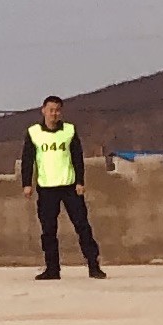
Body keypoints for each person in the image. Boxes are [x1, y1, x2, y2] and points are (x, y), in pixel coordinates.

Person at [24, 93, 105, 281]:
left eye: (57, 110)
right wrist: (27, 184)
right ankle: (52, 269)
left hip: (69, 187)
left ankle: (94, 265)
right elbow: (28, 160)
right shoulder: (34, 133)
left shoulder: (69, 131)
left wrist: (80, 181)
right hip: (46, 188)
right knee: (48, 230)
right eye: (51, 110)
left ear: (61, 113)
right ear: (43, 111)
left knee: (82, 226)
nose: (54, 114)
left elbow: (77, 157)